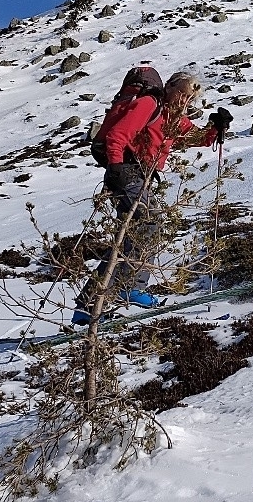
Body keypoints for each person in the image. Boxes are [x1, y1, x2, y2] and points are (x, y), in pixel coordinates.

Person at [74, 70, 231, 324]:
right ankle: (119, 292)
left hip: (138, 175)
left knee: (136, 233)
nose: (184, 101)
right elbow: (117, 136)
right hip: (125, 170)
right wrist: (115, 168)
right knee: (146, 225)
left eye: (189, 99)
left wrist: (216, 128)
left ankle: (98, 301)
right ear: (168, 87)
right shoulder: (149, 104)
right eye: (181, 93)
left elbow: (198, 138)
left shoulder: (173, 117)